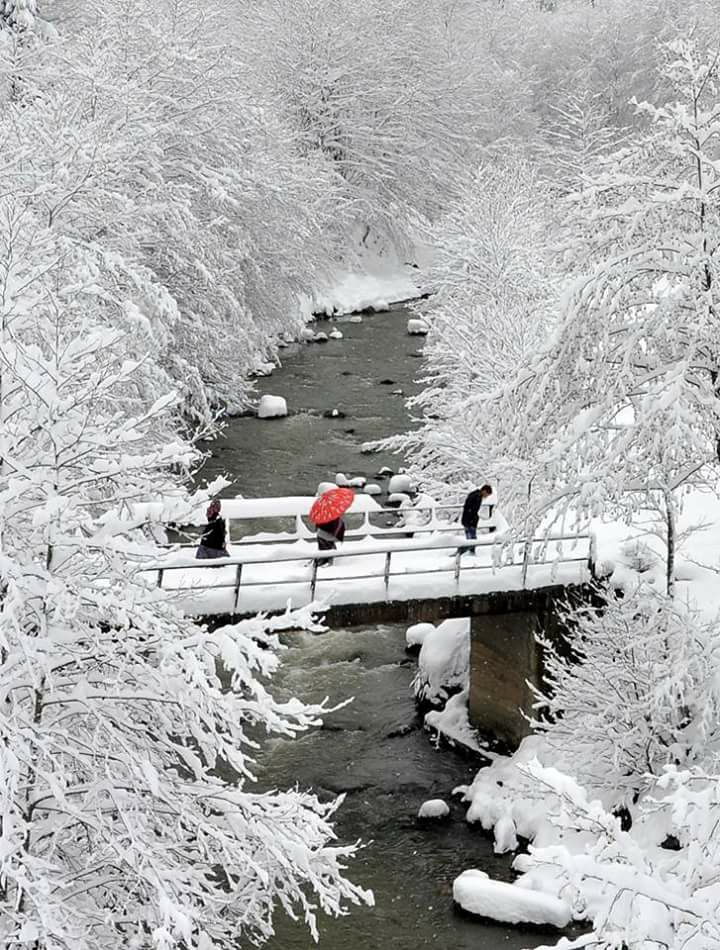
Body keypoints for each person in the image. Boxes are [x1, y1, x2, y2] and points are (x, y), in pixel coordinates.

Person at [460, 484, 493, 555]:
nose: (486, 496)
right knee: (471, 537)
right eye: (487, 494)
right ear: (484, 491)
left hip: (468, 519)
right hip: (470, 520)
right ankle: (469, 551)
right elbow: (469, 508)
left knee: (470, 536)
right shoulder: (476, 496)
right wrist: (473, 517)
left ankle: (468, 551)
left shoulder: (476, 495)